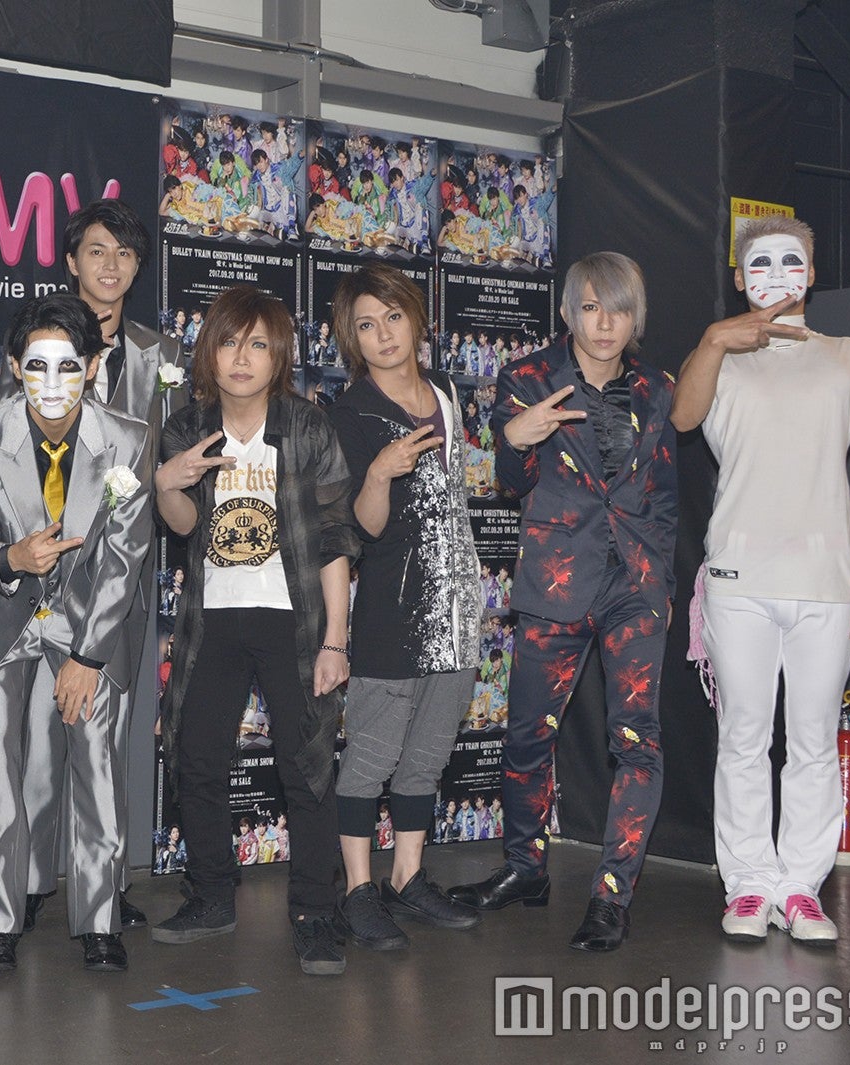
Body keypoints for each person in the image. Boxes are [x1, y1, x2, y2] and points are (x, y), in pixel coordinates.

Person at [673, 216, 850, 945]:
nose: (775, 273)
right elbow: (683, 417)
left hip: (827, 581)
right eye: (759, 263)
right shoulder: (717, 355)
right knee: (742, 736)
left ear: (812, 272)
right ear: (739, 277)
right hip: (738, 577)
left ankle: (800, 885)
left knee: (813, 739)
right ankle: (748, 885)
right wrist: (715, 339)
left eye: (790, 260)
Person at [449, 252, 677, 953]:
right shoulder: (527, 378)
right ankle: (526, 869)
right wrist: (512, 440)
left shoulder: (658, 388)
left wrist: (662, 581)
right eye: (590, 307)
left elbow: (664, 495)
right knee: (526, 738)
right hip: (556, 582)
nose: (604, 323)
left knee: (636, 741)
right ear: (568, 311)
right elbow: (513, 481)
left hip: (634, 586)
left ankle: (611, 896)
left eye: (618, 309)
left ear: (636, 317)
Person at [150, 286, 359, 976]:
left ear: (280, 356)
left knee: (308, 766)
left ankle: (316, 912)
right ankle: (212, 894)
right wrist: (168, 483)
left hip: (293, 620)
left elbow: (335, 538)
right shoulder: (188, 426)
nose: (242, 358)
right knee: (196, 758)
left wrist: (335, 640)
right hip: (212, 618)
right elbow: (186, 527)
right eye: (229, 342)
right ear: (208, 351)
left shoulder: (307, 427)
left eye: (259, 344)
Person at [0, 293, 152, 974]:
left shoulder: (128, 440)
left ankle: (99, 921)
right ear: (14, 366)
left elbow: (125, 558)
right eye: (36, 365)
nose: (53, 381)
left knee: (96, 766)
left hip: (88, 621)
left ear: (93, 366)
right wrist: (11, 558)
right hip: (5, 617)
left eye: (70, 365)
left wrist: (87, 656)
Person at [5, 199, 182, 934]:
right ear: (72, 260)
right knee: (34, 742)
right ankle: (27, 882)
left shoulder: (158, 354)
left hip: (122, 573)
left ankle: (103, 886)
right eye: (98, 251)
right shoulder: (36, 341)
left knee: (105, 738)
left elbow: (171, 451)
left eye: (126, 254)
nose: (112, 266)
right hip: (38, 574)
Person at [324, 263, 483, 951]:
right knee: (371, 757)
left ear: (417, 318)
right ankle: (359, 889)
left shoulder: (445, 390)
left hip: (458, 608)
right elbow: (362, 527)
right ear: (352, 339)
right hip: (393, 610)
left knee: (428, 756)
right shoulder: (352, 412)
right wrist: (380, 474)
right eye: (367, 325)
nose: (384, 334)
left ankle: (409, 875)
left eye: (393, 317)